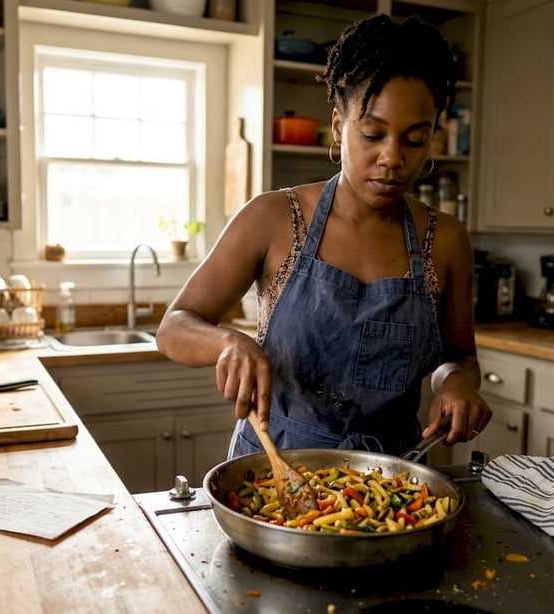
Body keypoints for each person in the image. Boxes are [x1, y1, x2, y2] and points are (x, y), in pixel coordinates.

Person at [155, 14, 491, 459]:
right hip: (273, 467)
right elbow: (174, 326)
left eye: (415, 139)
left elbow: (459, 356)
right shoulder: (272, 218)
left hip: (389, 481)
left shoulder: (445, 240)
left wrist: (458, 381)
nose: (392, 158)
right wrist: (228, 342)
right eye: (372, 134)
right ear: (338, 127)